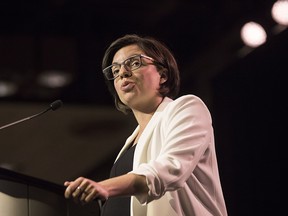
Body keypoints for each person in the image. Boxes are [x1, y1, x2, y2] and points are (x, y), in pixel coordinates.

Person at [64, 34, 227, 216]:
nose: (123, 73)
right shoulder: (129, 144)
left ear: (163, 75)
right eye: (115, 71)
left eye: (134, 63)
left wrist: (105, 187)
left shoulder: (186, 108)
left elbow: (170, 168)